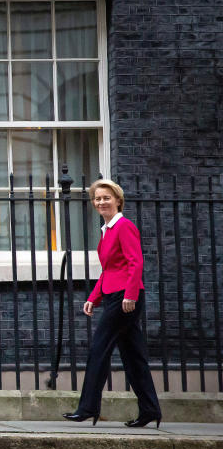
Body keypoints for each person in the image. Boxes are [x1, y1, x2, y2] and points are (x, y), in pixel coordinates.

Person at [63, 178, 162, 428]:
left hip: (124, 299)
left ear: (118, 200)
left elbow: (135, 262)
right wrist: (93, 298)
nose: (101, 202)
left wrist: (130, 295)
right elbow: (109, 269)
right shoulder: (106, 231)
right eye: (97, 198)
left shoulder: (124, 226)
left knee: (99, 348)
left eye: (106, 197)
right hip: (114, 295)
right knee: (133, 355)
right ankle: (150, 409)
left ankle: (87, 408)